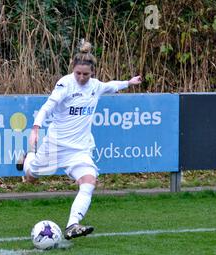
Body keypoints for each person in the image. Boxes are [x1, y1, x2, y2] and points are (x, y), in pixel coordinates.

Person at [17, 40, 142, 240]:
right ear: (73, 70)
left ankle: (72, 225)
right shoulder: (65, 84)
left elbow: (110, 86)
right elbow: (48, 106)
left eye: (86, 74)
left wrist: (128, 82)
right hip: (56, 145)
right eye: (78, 73)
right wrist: (35, 128)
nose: (82, 78)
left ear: (92, 73)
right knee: (31, 177)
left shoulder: (95, 86)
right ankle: (27, 158)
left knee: (89, 180)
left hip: (79, 150)